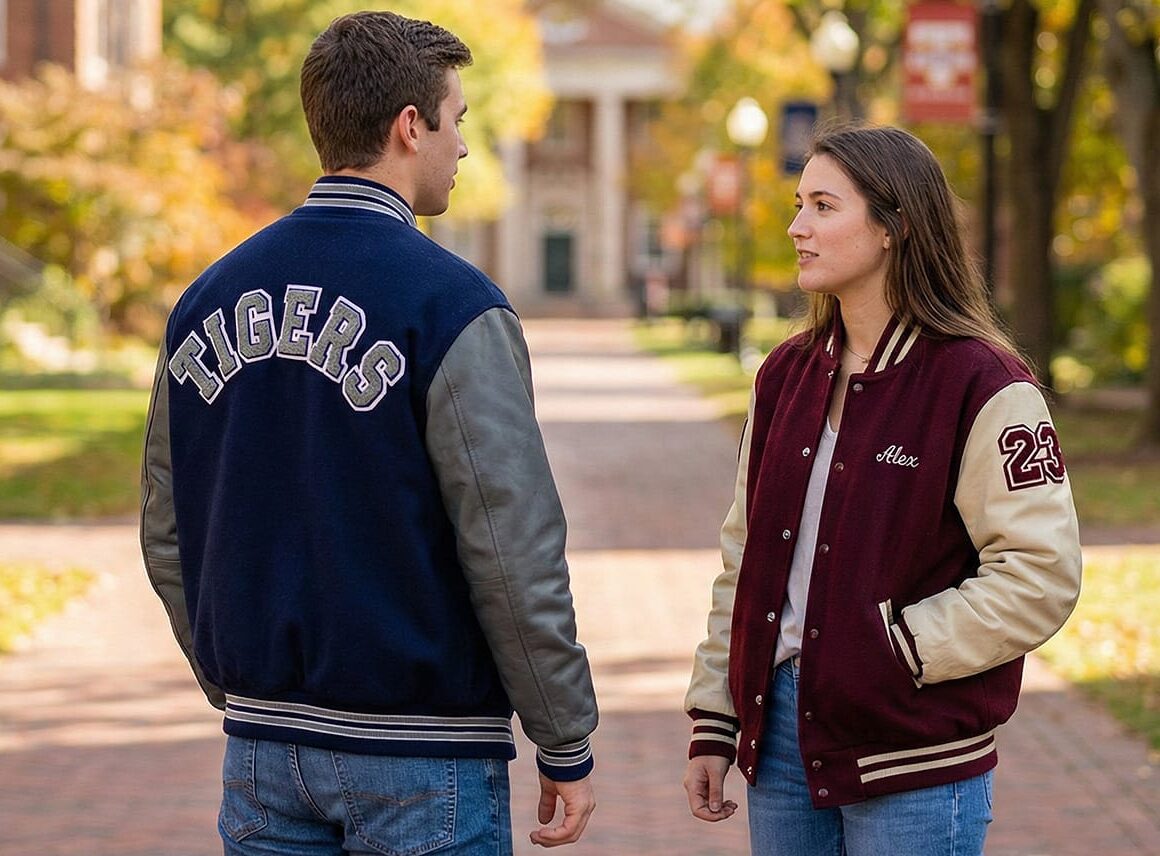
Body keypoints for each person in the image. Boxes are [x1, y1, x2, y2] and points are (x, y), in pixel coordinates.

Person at [140, 11, 597, 854]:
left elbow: (166, 530)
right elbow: (510, 547)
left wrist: (238, 680)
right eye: (456, 121)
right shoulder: (454, 306)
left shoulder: (204, 300)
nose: (462, 147)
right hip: (424, 757)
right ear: (409, 126)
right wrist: (564, 735)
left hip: (262, 753)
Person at [682, 124, 1082, 855]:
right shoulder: (784, 376)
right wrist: (717, 712)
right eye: (798, 204)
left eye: (824, 207)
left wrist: (895, 649)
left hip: (916, 759)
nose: (797, 227)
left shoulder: (983, 384)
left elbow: (1040, 574)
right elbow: (744, 555)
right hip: (780, 747)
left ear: (894, 225)